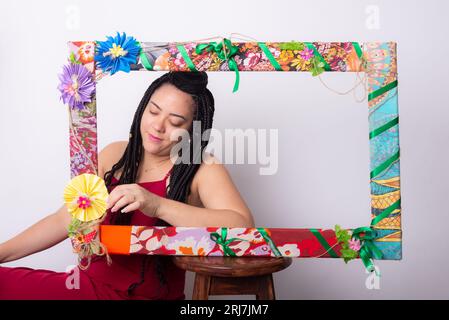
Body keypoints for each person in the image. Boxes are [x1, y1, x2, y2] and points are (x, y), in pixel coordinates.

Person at [0, 71, 255, 300]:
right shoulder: (113, 155)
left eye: (175, 122)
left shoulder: (201, 167)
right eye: (153, 112)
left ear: (193, 130)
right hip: (88, 287)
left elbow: (242, 226)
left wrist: (157, 205)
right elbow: (64, 219)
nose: (158, 126)